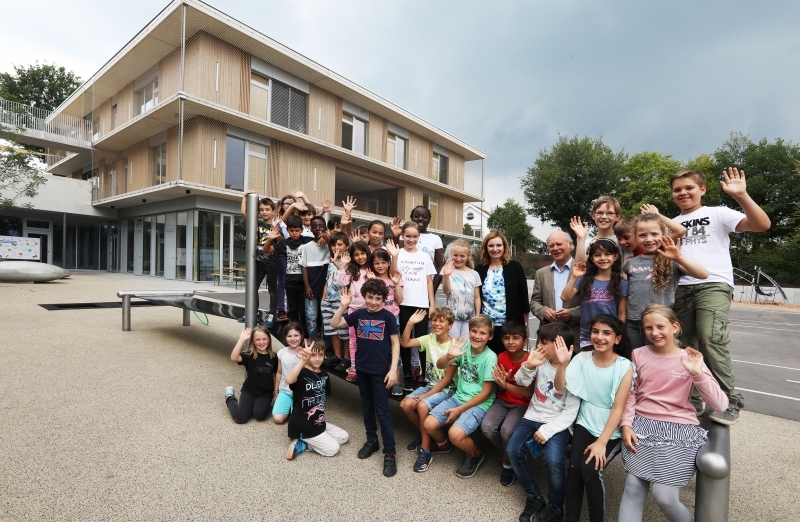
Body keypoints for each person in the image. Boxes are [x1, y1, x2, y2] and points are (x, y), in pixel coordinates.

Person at [671, 167, 770, 424]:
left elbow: (762, 225)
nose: (683, 193)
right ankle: (692, 403)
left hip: (713, 284)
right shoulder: (672, 223)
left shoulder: (717, 213)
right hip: (681, 287)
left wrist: (741, 196)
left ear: (702, 189)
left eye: (689, 187)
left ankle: (730, 401)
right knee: (684, 345)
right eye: (677, 189)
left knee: (710, 337)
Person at [618, 305, 727, 522]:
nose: (655, 332)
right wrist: (626, 424)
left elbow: (720, 403)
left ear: (675, 327)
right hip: (641, 427)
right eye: (648, 328)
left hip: (679, 431)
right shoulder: (638, 354)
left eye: (661, 326)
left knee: (665, 496)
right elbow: (632, 393)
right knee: (632, 487)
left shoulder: (690, 357)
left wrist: (697, 374)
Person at [564, 314, 634, 522]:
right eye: (595, 331)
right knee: (575, 468)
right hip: (585, 421)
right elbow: (561, 386)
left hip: (610, 427)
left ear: (617, 339)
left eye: (606, 333)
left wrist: (601, 443)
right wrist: (561, 364)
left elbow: (618, 408)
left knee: (590, 469)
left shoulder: (624, 367)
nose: (599, 337)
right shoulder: (582, 358)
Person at [508, 322, 579, 522]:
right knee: (514, 450)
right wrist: (529, 365)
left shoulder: (574, 369)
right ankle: (535, 496)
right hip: (532, 416)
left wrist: (548, 431)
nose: (539, 346)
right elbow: (521, 381)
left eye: (544, 343)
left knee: (553, 461)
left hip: (558, 423)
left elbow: (570, 411)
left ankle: (556, 505)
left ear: (560, 346)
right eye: (539, 341)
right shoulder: (540, 361)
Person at [331, 280, 400, 477]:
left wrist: (393, 369)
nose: (373, 302)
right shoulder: (358, 314)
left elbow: (396, 344)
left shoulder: (388, 316)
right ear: (363, 296)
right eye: (370, 297)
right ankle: (372, 440)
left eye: (378, 298)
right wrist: (343, 306)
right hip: (362, 369)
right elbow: (334, 323)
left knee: (383, 412)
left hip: (380, 372)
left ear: (383, 299)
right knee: (367, 407)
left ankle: (390, 452)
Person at [424, 314, 498, 478]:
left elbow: (486, 393)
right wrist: (449, 356)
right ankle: (443, 446)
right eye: (474, 331)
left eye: (482, 333)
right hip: (458, 397)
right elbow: (440, 365)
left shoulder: (490, 357)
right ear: (469, 331)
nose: (477, 336)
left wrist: (459, 410)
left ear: (490, 336)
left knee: (455, 434)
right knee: (429, 424)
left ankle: (475, 454)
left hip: (479, 404)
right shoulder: (463, 349)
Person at [624, 213, 708, 349]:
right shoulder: (630, 263)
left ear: (664, 234)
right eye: (642, 235)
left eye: (654, 234)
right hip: (633, 322)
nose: (648, 239)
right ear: (635, 237)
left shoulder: (671, 260)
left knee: (658, 359)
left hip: (659, 324)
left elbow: (703, 274)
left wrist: (679, 258)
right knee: (636, 359)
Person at [399, 308, 457, 472]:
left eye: (442, 321)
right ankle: (434, 439)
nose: (437, 324)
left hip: (448, 389)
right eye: (435, 320)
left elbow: (447, 379)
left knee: (422, 404)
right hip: (430, 386)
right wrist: (410, 323)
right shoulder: (429, 339)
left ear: (450, 325)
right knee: (405, 404)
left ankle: (426, 450)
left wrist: (425, 395)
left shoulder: (453, 346)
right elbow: (405, 343)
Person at [480, 321, 533, 487]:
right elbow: (497, 383)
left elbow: (528, 393)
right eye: (507, 338)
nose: (511, 341)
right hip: (502, 401)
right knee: (487, 427)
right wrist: (500, 383)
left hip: (522, 404)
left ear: (525, 341)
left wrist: (506, 385)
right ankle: (513, 452)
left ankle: (507, 463)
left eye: (516, 338)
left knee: (506, 431)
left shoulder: (531, 360)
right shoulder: (501, 357)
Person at [285, 339, 349, 460]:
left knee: (344, 437)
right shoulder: (301, 372)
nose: (317, 359)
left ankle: (308, 442)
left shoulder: (324, 375)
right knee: (333, 449)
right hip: (302, 425)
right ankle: (303, 443)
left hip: (318, 423)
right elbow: (289, 380)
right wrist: (303, 360)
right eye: (313, 355)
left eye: (321, 355)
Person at [561, 238, 628, 351]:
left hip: (610, 333)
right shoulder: (585, 280)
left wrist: (619, 333)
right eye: (597, 255)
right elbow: (565, 297)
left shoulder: (622, 283)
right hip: (588, 333)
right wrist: (574, 276)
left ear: (615, 257)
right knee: (589, 363)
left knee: (607, 364)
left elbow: (622, 313)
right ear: (591, 258)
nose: (603, 258)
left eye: (607, 254)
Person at [391, 223, 436, 389]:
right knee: (406, 340)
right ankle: (408, 374)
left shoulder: (424, 256)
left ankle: (424, 374)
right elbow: (392, 274)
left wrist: (432, 304)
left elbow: (429, 281)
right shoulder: (398, 253)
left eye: (414, 236)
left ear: (419, 237)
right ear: (402, 236)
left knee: (422, 341)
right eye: (408, 236)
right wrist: (394, 257)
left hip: (421, 304)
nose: (411, 239)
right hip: (403, 303)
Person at [475, 231, 530, 355]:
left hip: (511, 326)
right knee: (489, 361)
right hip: (487, 327)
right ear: (485, 248)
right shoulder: (479, 269)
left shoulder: (515, 267)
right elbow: (476, 297)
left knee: (509, 361)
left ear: (504, 247)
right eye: (491, 246)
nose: (495, 249)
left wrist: (525, 325)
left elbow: (523, 299)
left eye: (499, 245)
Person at [529, 230, 582, 345]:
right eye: (551, 245)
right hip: (547, 338)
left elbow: (591, 304)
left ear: (570, 244)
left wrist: (571, 314)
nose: (555, 248)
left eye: (559, 244)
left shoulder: (582, 270)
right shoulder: (541, 273)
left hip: (575, 337)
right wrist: (543, 311)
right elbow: (534, 302)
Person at [239, 192, 280, 327]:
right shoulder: (256, 222)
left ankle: (272, 314)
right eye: (261, 209)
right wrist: (244, 197)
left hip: (272, 261)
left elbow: (281, 241)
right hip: (257, 261)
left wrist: (276, 229)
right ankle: (252, 312)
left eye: (267, 209)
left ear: (273, 211)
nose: (264, 212)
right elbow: (244, 213)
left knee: (273, 289)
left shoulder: (277, 225)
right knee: (252, 287)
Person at [369, 248, 405, 396]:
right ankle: (379, 379)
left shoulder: (395, 277)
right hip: (377, 319)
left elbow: (400, 299)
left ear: (389, 263)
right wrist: (370, 281)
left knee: (395, 351)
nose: (380, 266)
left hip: (393, 318)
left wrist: (396, 283)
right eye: (376, 263)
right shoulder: (372, 279)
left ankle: (397, 381)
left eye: (383, 262)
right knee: (378, 350)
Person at [265, 215, 311, 328]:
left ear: (302, 230)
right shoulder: (284, 243)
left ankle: (304, 332)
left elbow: (321, 242)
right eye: (291, 230)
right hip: (290, 281)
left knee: (303, 310)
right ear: (287, 230)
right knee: (293, 309)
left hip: (304, 282)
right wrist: (270, 239)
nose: (294, 233)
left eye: (297, 230)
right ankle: (295, 331)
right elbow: (266, 250)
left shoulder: (307, 241)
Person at [224, 326, 278, 424]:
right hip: (249, 391)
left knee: (259, 415)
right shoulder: (249, 355)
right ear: (253, 341)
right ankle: (229, 397)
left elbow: (274, 375)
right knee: (240, 418)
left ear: (269, 340)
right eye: (257, 339)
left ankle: (258, 405)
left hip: (265, 393)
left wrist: (275, 392)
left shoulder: (274, 357)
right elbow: (234, 357)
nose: (261, 342)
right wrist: (241, 340)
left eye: (264, 339)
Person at [335, 241, 371, 381]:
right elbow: (341, 282)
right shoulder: (352, 270)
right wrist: (343, 265)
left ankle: (367, 365)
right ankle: (354, 367)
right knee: (353, 339)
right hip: (354, 309)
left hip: (370, 311)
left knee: (368, 339)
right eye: (356, 255)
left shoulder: (372, 269)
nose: (360, 257)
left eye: (362, 253)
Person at [320, 232, 350, 368]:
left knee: (344, 330)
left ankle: (347, 358)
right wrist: (323, 299)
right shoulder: (331, 261)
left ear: (347, 246)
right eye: (333, 245)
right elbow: (328, 280)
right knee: (332, 330)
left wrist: (337, 262)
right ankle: (337, 356)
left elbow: (346, 279)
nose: (336, 247)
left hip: (341, 300)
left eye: (340, 244)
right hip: (328, 300)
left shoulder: (348, 261)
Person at [441, 239, 482, 339]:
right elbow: (446, 291)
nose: (458, 259)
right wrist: (446, 275)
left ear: (467, 257)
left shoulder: (474, 274)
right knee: (452, 342)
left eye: (462, 256)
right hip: (451, 317)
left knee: (466, 345)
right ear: (451, 255)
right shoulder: (447, 270)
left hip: (469, 318)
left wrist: (477, 316)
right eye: (455, 255)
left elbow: (477, 297)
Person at [299, 216, 331, 340]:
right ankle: (313, 342)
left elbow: (335, 257)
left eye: (321, 226)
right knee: (311, 316)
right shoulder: (306, 247)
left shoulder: (330, 246)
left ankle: (326, 345)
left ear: (326, 228)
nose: (317, 228)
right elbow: (304, 267)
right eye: (314, 226)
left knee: (326, 317)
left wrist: (328, 241)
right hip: (312, 287)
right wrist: (307, 286)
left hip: (327, 290)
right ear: (310, 229)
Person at [271, 322, 306, 425]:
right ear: (285, 337)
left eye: (296, 335)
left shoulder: (306, 352)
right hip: (285, 390)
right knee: (278, 419)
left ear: (301, 336)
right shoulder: (282, 352)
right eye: (289, 336)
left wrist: (304, 359)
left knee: (300, 420)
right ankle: (288, 407)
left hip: (301, 392)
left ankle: (293, 409)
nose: (293, 338)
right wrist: (276, 391)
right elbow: (279, 372)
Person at [573, 195, 623, 263]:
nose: (604, 217)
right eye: (600, 213)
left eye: (610, 213)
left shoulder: (622, 241)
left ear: (617, 217)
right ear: (593, 216)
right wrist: (580, 238)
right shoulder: (586, 243)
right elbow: (579, 267)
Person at [408, 205, 444, 291]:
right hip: (407, 284)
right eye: (416, 216)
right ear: (411, 218)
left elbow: (439, 266)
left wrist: (433, 289)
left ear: (429, 220)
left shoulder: (435, 239)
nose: (420, 219)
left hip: (427, 285)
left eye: (424, 217)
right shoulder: (404, 237)